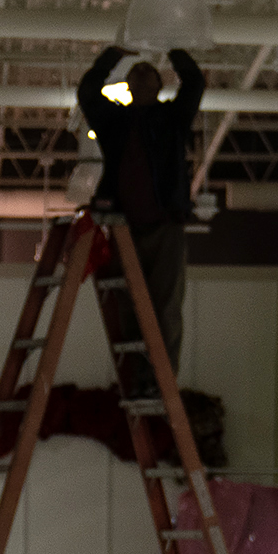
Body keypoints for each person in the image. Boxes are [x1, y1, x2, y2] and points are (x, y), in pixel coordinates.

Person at [75, 42, 205, 369]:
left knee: (164, 306)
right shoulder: (118, 121)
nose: (144, 73)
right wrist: (115, 55)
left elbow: (195, 84)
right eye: (139, 71)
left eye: (149, 71)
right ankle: (139, 373)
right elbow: (88, 92)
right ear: (129, 85)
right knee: (132, 303)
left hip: (159, 224)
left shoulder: (170, 118)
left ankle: (161, 376)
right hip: (129, 226)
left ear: (160, 85)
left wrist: (173, 48)